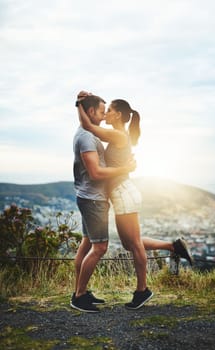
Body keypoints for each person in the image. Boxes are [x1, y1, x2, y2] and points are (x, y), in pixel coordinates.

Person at [77, 91, 193, 310]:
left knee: (135, 244)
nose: (106, 114)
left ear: (119, 115)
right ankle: (173, 246)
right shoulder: (119, 134)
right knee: (131, 244)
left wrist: (79, 103)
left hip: (123, 193)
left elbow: (89, 127)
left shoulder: (120, 135)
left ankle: (142, 291)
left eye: (109, 110)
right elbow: (92, 129)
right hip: (122, 193)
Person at [70, 94, 136, 313]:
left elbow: (86, 122)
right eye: (101, 111)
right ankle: (79, 296)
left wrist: (79, 103)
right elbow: (96, 172)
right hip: (93, 199)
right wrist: (124, 170)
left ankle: (80, 290)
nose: (103, 114)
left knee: (87, 243)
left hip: (89, 196)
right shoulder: (88, 137)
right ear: (91, 113)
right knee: (100, 247)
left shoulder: (88, 132)